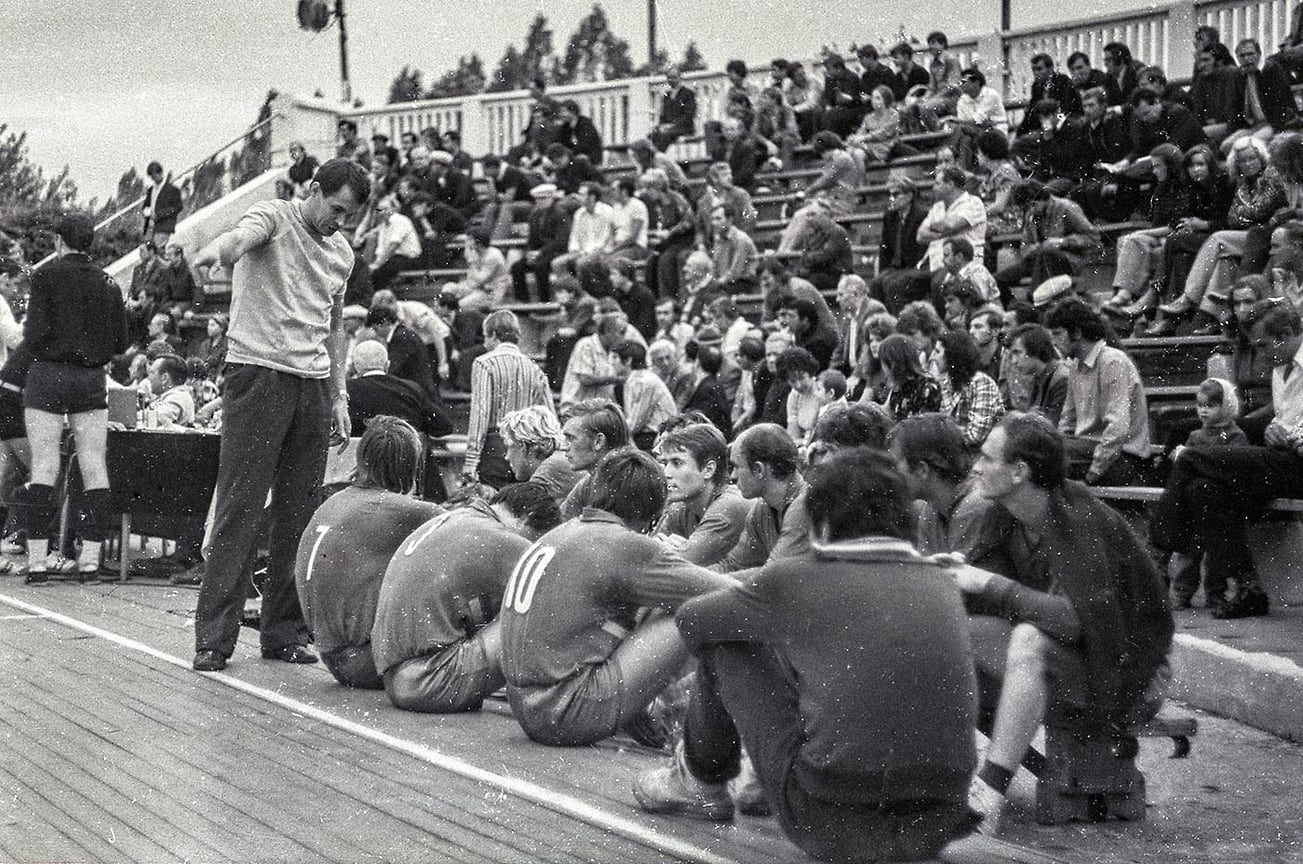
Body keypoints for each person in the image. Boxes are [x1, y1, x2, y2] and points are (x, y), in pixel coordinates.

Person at [633, 448, 979, 860]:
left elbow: (692, 621)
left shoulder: (802, 575)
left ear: (824, 520)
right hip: (936, 824)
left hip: (833, 823)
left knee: (725, 640)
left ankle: (698, 783)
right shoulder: (941, 580)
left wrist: (775, 619)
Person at [189, 158, 370, 672]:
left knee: (299, 512)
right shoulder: (272, 215)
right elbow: (239, 238)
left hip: (312, 385)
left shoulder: (342, 253)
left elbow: (335, 324)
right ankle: (214, 639)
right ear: (313, 190)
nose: (339, 222)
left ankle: (283, 632)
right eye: (335, 208)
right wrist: (215, 252)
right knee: (240, 507)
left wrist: (339, 394)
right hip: (257, 375)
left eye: (349, 216)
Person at [962, 413, 1173, 834]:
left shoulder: (1080, 518)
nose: (976, 467)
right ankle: (936, 778)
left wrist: (991, 584)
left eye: (987, 458)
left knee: (1027, 640)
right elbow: (983, 598)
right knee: (951, 634)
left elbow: (1080, 623)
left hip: (1132, 675)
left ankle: (989, 792)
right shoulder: (1004, 513)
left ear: (1019, 471)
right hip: (1076, 660)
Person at [500, 448, 735, 746]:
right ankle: (680, 724)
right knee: (694, 609)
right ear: (651, 510)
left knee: (648, 604)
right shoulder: (624, 543)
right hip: (566, 710)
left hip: (528, 707)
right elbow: (727, 593)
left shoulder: (565, 532)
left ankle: (649, 711)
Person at [1151, 301, 1303, 619]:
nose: (1260, 354)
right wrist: (1277, 429)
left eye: (1263, 345)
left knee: (1191, 457)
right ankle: (1249, 588)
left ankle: (1159, 551)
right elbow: (1287, 420)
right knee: (1201, 491)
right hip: (1285, 459)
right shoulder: (1282, 367)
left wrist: (1292, 437)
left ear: (1287, 334)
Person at [374, 482, 560, 713]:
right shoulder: (504, 539)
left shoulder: (458, 517)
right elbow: (560, 595)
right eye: (536, 538)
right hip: (428, 682)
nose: (532, 546)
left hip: (393, 678)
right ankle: (555, 702)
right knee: (539, 607)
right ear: (525, 518)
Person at [293, 416, 443, 689]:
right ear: (408, 465)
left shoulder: (336, 500)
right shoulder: (406, 510)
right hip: (364, 661)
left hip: (331, 655)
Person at [20, 213, 127, 580]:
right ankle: (91, 560)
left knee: (44, 464)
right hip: (90, 379)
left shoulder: (45, 277)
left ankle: (36, 563)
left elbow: (33, 333)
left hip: (48, 376)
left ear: (58, 242)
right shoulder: (109, 282)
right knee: (94, 465)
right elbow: (121, 342)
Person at [1046, 300, 1151, 485]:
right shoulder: (1076, 365)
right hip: (1086, 450)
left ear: (1077, 333)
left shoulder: (1112, 361)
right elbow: (1067, 422)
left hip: (1121, 458)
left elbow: (1117, 430)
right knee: (1040, 449)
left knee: (1042, 456)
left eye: (1057, 333)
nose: (1053, 341)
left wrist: (1092, 475)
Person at [1167, 377, 1250, 609]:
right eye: (1200, 405)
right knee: (1189, 551)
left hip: (1218, 504)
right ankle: (1182, 592)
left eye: (1210, 405)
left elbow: (1235, 469)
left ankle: (1215, 592)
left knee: (1216, 553)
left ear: (1226, 406)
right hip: (1194, 505)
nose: (1203, 411)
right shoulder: (1195, 436)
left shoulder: (1235, 436)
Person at [462, 310, 554, 490]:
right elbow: (548, 416)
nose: (485, 343)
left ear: (494, 335)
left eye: (485, 337)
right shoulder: (534, 368)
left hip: (495, 445)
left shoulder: (484, 363)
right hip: (527, 449)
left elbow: (480, 413)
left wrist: (471, 460)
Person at [713, 423, 810, 575]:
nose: (733, 476)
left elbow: (773, 577)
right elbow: (733, 565)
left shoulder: (806, 505)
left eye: (737, 467)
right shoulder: (762, 508)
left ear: (759, 470)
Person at [888, 413, 989, 556]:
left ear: (922, 469)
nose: (890, 473)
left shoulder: (974, 506)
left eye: (894, 464)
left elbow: (955, 576)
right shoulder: (931, 510)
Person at [654, 423, 751, 567]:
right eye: (665, 463)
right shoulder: (680, 507)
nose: (666, 473)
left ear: (709, 469)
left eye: (677, 463)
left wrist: (659, 550)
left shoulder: (729, 505)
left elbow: (675, 570)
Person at [346, 340, 452, 438]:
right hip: (404, 453)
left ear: (355, 367)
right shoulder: (412, 389)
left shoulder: (345, 391)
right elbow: (444, 426)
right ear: (387, 365)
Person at [558, 398, 629, 518]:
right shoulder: (588, 483)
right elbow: (557, 527)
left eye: (570, 438)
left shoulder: (631, 483)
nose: (563, 447)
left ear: (598, 441)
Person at [499, 404, 582, 502]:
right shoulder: (562, 459)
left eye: (510, 448)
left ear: (524, 447)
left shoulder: (550, 468)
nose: (507, 457)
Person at [939, 330, 1005, 449]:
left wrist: (944, 433)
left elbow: (976, 435)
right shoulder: (947, 382)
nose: (933, 356)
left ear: (951, 356)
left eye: (938, 352)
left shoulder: (981, 383)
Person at [613, 340, 677, 451]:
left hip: (658, 438)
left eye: (615, 358)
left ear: (628, 360)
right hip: (648, 436)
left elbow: (635, 425)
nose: (612, 362)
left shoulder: (643, 381)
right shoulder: (634, 379)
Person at [365, 303, 437, 401]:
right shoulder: (403, 334)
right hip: (419, 389)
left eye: (375, 328)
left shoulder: (401, 338)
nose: (376, 333)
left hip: (419, 394)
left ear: (385, 322)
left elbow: (392, 369)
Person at [1005, 323, 1068, 424]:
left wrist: (1024, 417)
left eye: (1017, 353)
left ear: (1035, 349)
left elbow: (1053, 426)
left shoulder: (1061, 379)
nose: (1014, 361)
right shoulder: (1037, 376)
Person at [878, 333, 943, 420]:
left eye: (883, 363)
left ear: (893, 364)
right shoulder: (900, 385)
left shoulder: (927, 387)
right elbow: (887, 413)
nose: (883, 368)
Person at [653, 66, 697, 151]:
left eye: (674, 77)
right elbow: (663, 115)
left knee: (664, 136)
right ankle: (652, 160)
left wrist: (672, 125)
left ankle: (659, 157)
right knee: (652, 135)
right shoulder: (667, 95)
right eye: (669, 78)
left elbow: (689, 115)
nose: (671, 80)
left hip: (684, 127)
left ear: (680, 78)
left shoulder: (688, 93)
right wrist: (661, 125)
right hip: (669, 128)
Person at [145, 354, 195, 429]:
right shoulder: (173, 395)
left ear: (164, 377)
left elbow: (157, 418)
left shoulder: (178, 397)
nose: (148, 378)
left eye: (152, 373)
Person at [142, 161, 183, 246]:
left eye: (155, 176)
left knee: (159, 250)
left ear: (160, 173)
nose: (154, 179)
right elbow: (145, 206)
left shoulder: (172, 189)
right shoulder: (151, 190)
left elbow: (178, 207)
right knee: (147, 251)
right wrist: (146, 211)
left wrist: (159, 214)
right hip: (150, 226)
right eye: (152, 177)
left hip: (163, 226)